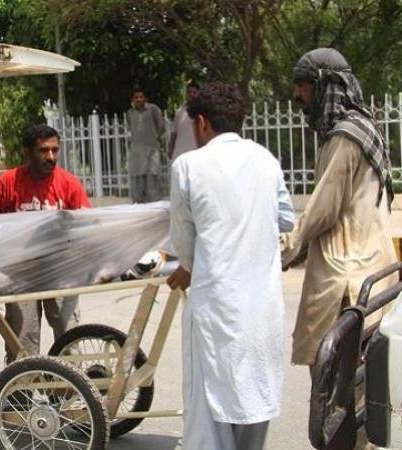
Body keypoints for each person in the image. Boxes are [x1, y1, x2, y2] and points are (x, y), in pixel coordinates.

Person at [167, 82, 295, 450]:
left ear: (202, 123)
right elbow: (286, 218)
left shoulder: (188, 166)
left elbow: (184, 243)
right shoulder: (265, 160)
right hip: (261, 308)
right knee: (254, 398)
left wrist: (189, 266)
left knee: (208, 411)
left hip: (215, 307)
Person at [283, 48, 396, 367]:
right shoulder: (364, 128)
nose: (297, 95)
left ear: (324, 85)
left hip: (346, 278)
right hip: (372, 267)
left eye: (302, 85)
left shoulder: (344, 138)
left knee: (334, 379)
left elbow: (323, 210)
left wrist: (284, 250)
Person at [0, 124, 90, 361]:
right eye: (43, 150)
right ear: (27, 152)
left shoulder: (69, 184)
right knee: (22, 341)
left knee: (69, 337)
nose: (51, 157)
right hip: (21, 272)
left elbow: (88, 224)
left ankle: (70, 383)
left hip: (61, 270)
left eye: (54, 150)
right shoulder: (8, 183)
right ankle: (23, 384)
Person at [128, 86, 165, 203]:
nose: (139, 99)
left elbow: (161, 127)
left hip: (152, 150)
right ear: (133, 99)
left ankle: (154, 203)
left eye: (141, 97)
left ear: (145, 98)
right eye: (136, 97)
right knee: (138, 176)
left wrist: (154, 139)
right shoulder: (130, 113)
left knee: (152, 175)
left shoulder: (153, 109)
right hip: (137, 152)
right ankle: (138, 203)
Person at [168, 81, 200, 161]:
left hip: (196, 152)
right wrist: (171, 147)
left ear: (198, 94)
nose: (191, 94)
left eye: (194, 92)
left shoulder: (202, 112)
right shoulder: (180, 111)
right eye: (189, 92)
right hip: (180, 152)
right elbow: (174, 133)